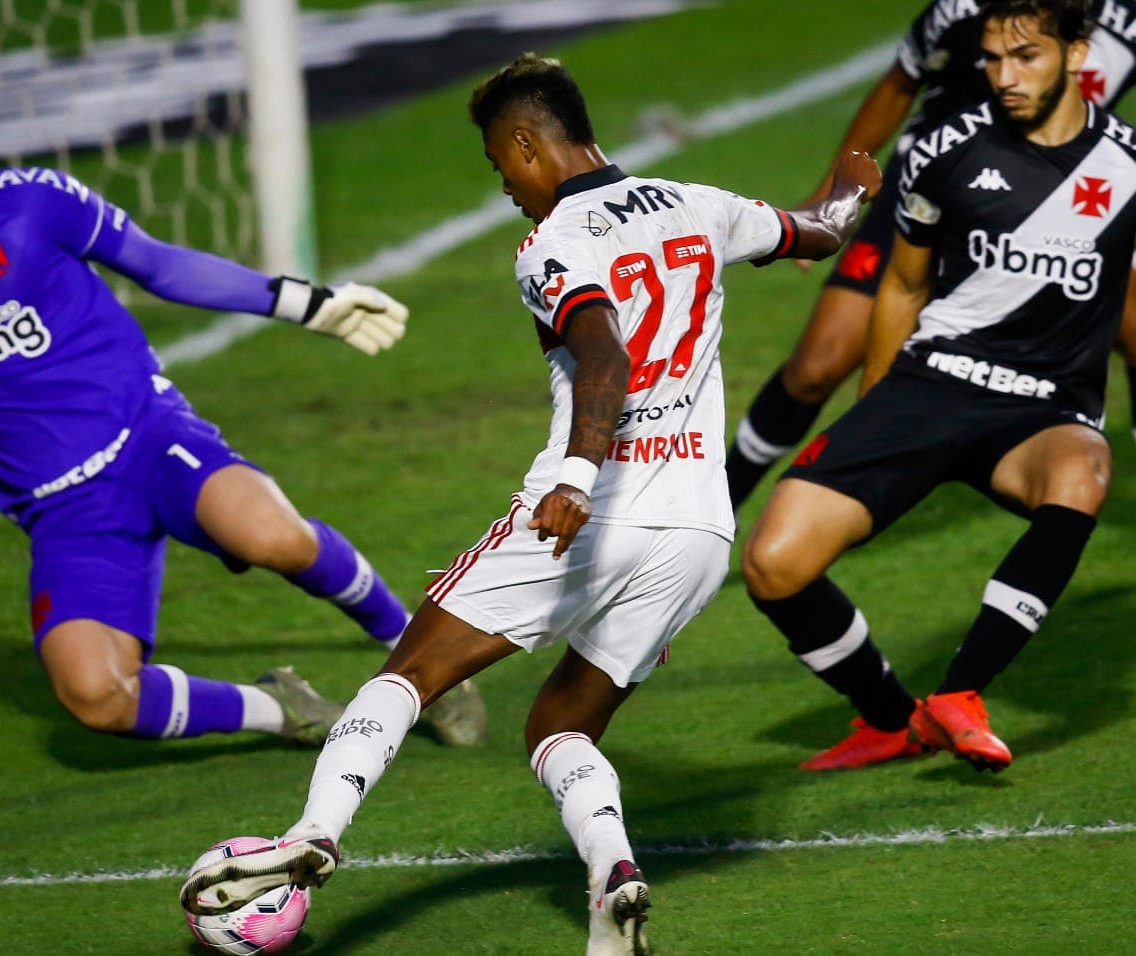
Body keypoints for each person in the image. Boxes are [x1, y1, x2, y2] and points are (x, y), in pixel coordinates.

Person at [179, 53, 878, 954]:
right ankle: (613, 873)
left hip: (590, 514)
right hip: (699, 528)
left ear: (524, 143)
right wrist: (852, 185)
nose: (505, 187)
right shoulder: (695, 204)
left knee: (409, 674)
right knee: (560, 726)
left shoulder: (554, 245)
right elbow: (818, 232)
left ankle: (312, 834)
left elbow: (604, 354)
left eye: (498, 165)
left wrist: (578, 478)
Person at [0, 72, 486, 750]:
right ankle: (282, 709)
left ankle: (418, 655)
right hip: (63, 512)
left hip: (150, 439)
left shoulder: (31, 201)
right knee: (95, 696)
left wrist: (306, 303)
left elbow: (159, 265)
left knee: (276, 538)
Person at [742, 0, 1136, 773]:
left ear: (1076, 54)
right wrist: (874, 407)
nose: (1003, 76)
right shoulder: (946, 147)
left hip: (1043, 407)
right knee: (773, 563)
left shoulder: (1126, 165)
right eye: (992, 58)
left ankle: (961, 694)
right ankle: (892, 720)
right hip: (934, 380)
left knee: (1083, 470)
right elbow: (903, 286)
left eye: (1025, 57)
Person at [725, 0, 1136, 512]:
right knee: (817, 366)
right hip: (925, 200)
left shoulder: (1125, 20)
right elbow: (900, 83)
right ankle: (720, 504)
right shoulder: (964, 10)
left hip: (1058, 206)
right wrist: (832, 190)